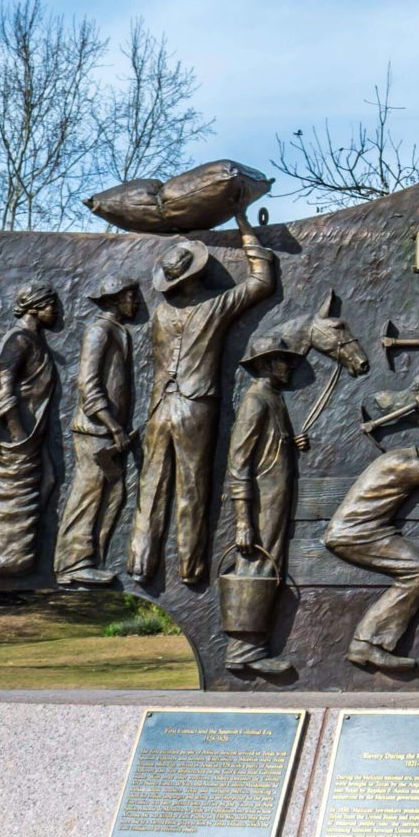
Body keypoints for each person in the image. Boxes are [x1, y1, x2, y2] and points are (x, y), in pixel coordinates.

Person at [129, 212, 277, 589]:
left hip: (160, 407)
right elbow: (262, 281)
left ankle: (140, 564)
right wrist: (246, 227)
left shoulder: (161, 313)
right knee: (192, 489)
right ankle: (191, 568)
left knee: (152, 487)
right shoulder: (214, 307)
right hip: (195, 406)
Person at [333, 382, 419, 676]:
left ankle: (367, 642)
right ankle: (366, 642)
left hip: (368, 531)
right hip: (355, 534)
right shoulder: (398, 463)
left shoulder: (403, 458)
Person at [0, 283, 61, 578]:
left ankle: (16, 550)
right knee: (7, 496)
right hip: (15, 439)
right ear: (36, 306)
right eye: (52, 304)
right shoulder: (18, 340)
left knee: (49, 481)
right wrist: (17, 434)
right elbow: (2, 390)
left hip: (32, 435)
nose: (56, 311)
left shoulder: (35, 340)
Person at [220, 330, 303, 681]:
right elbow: (239, 463)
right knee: (255, 571)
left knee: (268, 571)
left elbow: (269, 447)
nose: (288, 366)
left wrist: (290, 443)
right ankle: (244, 652)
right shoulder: (256, 400)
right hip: (259, 506)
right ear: (266, 364)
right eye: (282, 359)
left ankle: (252, 649)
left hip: (275, 502)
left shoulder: (273, 397)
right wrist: (243, 520)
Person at [54, 281, 140, 586]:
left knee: (114, 493)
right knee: (88, 492)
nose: (137, 302)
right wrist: (113, 426)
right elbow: (89, 385)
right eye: (131, 296)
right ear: (115, 299)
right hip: (96, 431)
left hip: (109, 432)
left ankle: (91, 558)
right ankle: (70, 564)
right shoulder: (98, 331)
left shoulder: (119, 330)